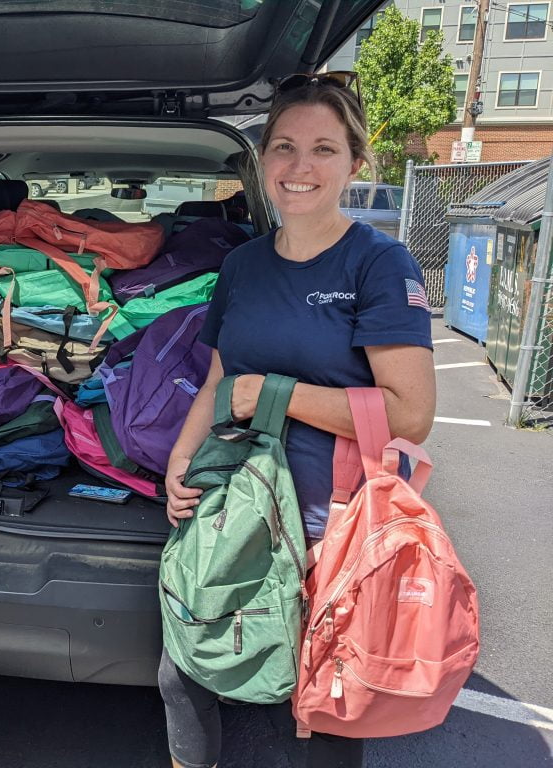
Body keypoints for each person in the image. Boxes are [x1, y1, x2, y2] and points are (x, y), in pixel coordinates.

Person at [159, 72, 436, 768]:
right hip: (235, 507)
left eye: (322, 149)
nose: (299, 167)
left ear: (355, 162)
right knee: (184, 671)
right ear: (262, 159)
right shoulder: (244, 265)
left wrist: (273, 393)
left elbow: (412, 413)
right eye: (283, 147)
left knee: (324, 704)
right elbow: (220, 377)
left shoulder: (379, 263)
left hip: (331, 526)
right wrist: (180, 459)